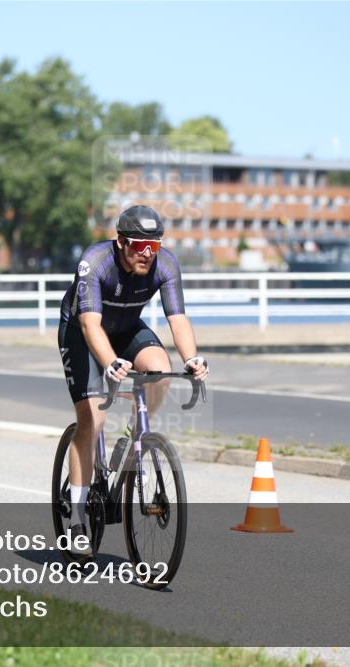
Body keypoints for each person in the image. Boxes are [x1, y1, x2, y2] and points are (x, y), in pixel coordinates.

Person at [58, 205, 209, 555]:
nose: (147, 254)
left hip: (126, 329)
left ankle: (133, 433)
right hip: (83, 333)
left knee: (159, 367)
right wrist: (109, 363)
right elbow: (90, 325)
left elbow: (178, 319)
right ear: (122, 242)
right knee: (92, 419)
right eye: (140, 246)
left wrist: (192, 359)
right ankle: (79, 518)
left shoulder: (166, 264)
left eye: (154, 246)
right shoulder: (95, 262)